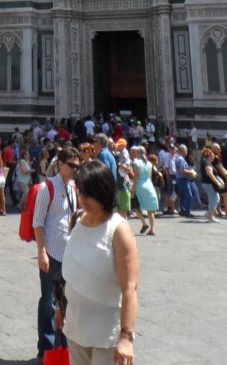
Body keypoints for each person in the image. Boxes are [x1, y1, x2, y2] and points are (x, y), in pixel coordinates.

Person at [57, 159, 139, 365]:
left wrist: (126, 337)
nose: (83, 198)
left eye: (89, 193)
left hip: (107, 335)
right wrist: (60, 306)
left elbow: (130, 287)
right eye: (80, 191)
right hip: (76, 327)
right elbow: (71, 269)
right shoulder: (76, 219)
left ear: (103, 192)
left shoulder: (119, 230)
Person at [32, 147, 79, 361]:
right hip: (51, 254)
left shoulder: (73, 188)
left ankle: (63, 348)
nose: (75, 170)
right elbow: (38, 222)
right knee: (49, 303)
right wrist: (41, 252)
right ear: (60, 164)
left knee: (66, 304)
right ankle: (46, 349)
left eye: (78, 166)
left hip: (70, 255)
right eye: (72, 165)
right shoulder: (46, 188)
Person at [129, 146, 158, 236]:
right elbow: (150, 176)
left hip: (139, 184)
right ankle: (152, 229)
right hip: (148, 184)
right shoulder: (149, 163)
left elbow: (136, 176)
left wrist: (133, 187)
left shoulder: (136, 162)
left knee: (135, 204)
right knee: (150, 208)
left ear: (137, 153)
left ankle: (144, 223)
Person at [174, 144, 196, 217]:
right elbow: (182, 170)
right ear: (183, 151)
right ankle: (187, 211)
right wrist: (191, 172)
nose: (187, 152)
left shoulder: (179, 158)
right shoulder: (180, 159)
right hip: (182, 179)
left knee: (183, 196)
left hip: (180, 179)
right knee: (188, 195)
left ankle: (183, 210)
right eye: (186, 150)